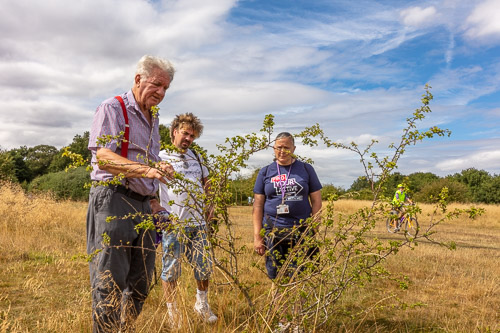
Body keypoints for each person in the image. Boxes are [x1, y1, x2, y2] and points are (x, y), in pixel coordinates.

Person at [87, 55, 175, 332]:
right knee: (110, 280)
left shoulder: (154, 117)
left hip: (144, 205)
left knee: (141, 281)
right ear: (138, 79)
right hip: (114, 197)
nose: (161, 93)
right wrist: (146, 170)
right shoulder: (113, 107)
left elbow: (148, 160)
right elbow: (103, 157)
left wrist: (154, 199)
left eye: (166, 88)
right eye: (157, 84)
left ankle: (124, 329)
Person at [158, 113, 217, 328]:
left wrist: (210, 204)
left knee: (203, 268)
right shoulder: (160, 155)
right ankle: (173, 313)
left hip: (198, 223)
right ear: (174, 131)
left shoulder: (196, 157)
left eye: (192, 136)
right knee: (171, 269)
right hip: (174, 223)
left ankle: (201, 304)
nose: (189, 139)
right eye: (185, 133)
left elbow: (207, 182)